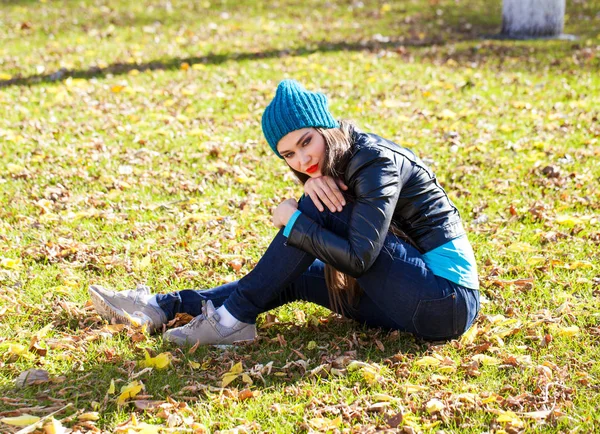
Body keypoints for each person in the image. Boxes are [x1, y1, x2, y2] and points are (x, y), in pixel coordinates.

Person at [89, 80, 480, 346]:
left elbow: (360, 257)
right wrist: (306, 205)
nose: (303, 159)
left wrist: (294, 219)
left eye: (306, 142)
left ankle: (228, 323)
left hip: (445, 301)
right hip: (408, 301)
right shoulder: (335, 165)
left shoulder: (374, 161)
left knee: (312, 211)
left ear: (325, 128)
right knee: (292, 278)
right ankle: (163, 307)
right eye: (289, 154)